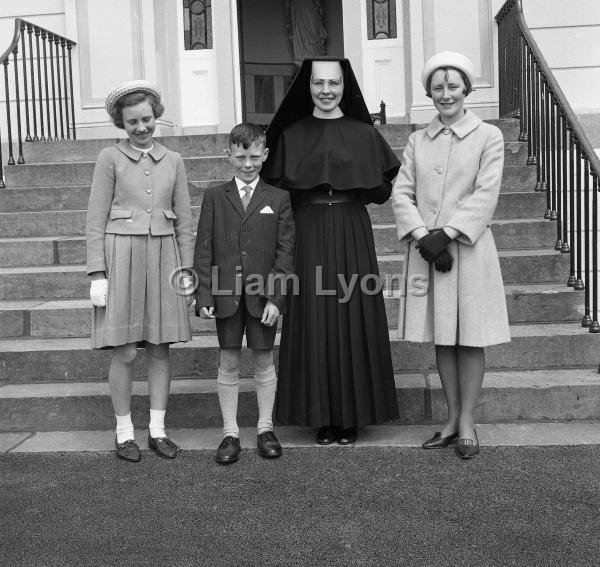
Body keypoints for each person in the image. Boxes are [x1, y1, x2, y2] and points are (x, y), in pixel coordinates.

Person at [262, 58, 400, 445]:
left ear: (345, 86)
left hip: (351, 230)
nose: (326, 90)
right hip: (306, 231)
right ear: (307, 87)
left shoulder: (363, 133)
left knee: (353, 313)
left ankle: (353, 415)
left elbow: (380, 190)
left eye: (334, 83)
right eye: (319, 83)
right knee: (313, 318)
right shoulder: (292, 135)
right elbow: (276, 192)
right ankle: (320, 416)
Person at [392, 52, 511, 459]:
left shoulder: (488, 137)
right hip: (429, 252)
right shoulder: (416, 141)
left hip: (470, 250)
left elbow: (486, 193)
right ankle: (449, 418)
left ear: (467, 90)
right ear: (430, 93)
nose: (446, 95)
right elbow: (401, 192)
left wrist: (449, 235)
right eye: (438, 88)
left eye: (453, 86)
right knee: (444, 337)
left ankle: (467, 422)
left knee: (470, 337)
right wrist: (425, 237)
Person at [86, 80, 195, 462]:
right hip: (122, 256)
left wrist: (187, 271)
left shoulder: (174, 160)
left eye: (146, 119)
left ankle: (158, 430)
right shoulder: (109, 158)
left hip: (165, 255)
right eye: (132, 122)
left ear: (156, 116)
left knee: (161, 348)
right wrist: (97, 273)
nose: (141, 127)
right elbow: (95, 219)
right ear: (122, 122)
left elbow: (184, 220)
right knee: (127, 351)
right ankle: (123, 432)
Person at [193, 123, 294, 465]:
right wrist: (204, 294)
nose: (247, 163)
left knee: (264, 360)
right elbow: (203, 247)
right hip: (226, 294)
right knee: (230, 360)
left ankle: (265, 428)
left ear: (265, 155)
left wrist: (277, 299)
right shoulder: (214, 196)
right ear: (229, 156)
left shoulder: (278, 198)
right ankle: (230, 432)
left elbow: (285, 252)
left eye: (254, 156)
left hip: (263, 298)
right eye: (240, 156)